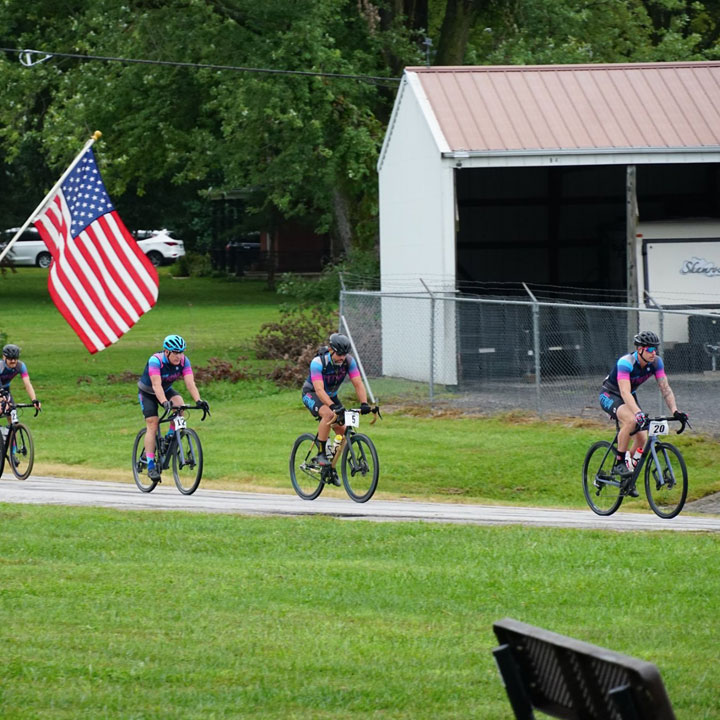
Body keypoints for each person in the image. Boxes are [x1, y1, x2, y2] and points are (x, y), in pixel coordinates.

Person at [599, 330, 687, 496]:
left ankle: (627, 475)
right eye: (650, 350)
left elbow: (665, 389)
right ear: (640, 350)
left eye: (656, 350)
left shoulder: (656, 363)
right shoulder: (626, 363)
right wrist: (638, 413)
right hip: (611, 394)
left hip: (629, 396)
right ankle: (619, 462)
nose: (654, 353)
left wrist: (676, 411)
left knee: (642, 439)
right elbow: (624, 392)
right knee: (631, 421)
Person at [137, 334, 209, 480]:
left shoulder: (184, 361)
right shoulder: (155, 361)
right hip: (148, 392)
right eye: (175, 352)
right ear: (167, 352)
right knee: (153, 423)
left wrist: (199, 400)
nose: (179, 356)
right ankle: (150, 465)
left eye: (181, 352)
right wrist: (164, 402)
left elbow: (190, 383)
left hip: (166, 390)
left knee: (180, 406)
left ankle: (169, 437)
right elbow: (156, 385)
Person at [301, 333, 371, 472]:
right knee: (328, 415)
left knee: (343, 431)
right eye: (339, 354)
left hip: (331, 396)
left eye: (345, 354)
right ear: (331, 350)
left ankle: (330, 468)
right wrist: (333, 407)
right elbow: (319, 390)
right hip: (312, 393)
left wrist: (364, 403)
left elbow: (358, 383)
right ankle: (320, 454)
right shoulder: (318, 362)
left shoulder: (349, 362)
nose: (342, 358)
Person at [0, 344, 41, 413]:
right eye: (10, 358)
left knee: (11, 411)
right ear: (4, 357)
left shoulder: (21, 366)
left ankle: (13, 424)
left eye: (15, 358)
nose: (13, 361)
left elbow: (28, 384)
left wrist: (34, 400)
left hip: (5, 389)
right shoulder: (0, 366)